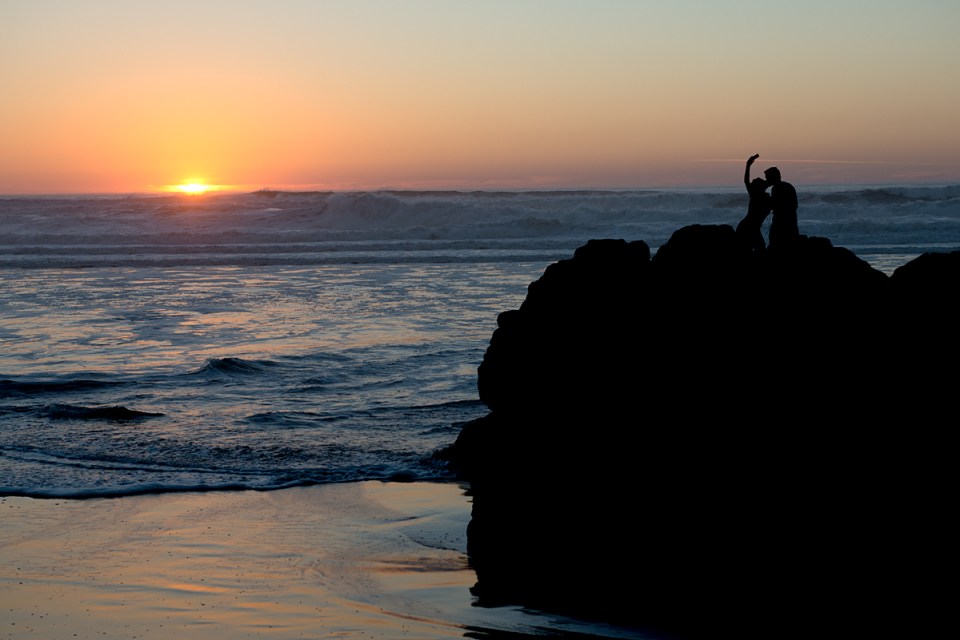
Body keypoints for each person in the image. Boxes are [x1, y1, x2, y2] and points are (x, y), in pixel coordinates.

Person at [736, 154, 771, 253]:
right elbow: (746, 181)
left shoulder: (764, 197)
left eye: (757, 179)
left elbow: (747, 181)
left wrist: (748, 165)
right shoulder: (756, 195)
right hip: (747, 228)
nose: (756, 178)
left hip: (750, 228)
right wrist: (748, 165)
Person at [764, 165, 799, 250]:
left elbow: (775, 205)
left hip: (781, 222)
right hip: (790, 221)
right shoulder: (788, 186)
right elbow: (794, 205)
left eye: (768, 178)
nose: (766, 180)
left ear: (774, 177)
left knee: (776, 243)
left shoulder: (776, 189)